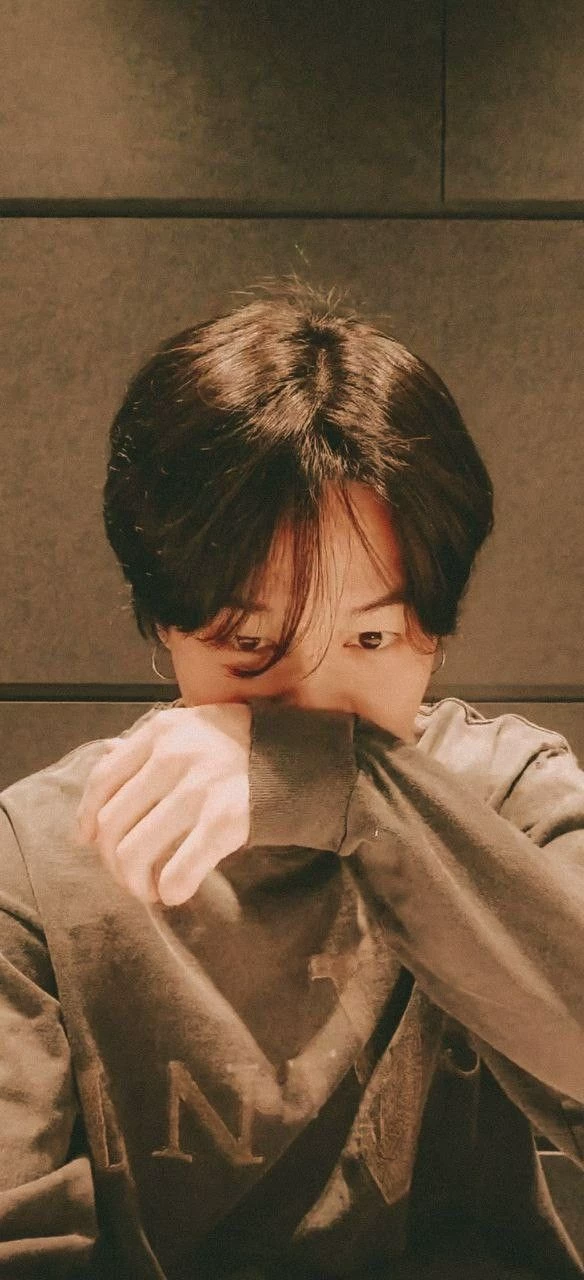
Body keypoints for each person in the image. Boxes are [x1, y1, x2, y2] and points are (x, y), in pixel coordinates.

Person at [1, 281, 583, 1280]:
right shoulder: (40, 856)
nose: (307, 703)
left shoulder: (506, 797)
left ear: (435, 630)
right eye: (249, 644)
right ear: (162, 624)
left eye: (370, 638)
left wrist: (337, 787)